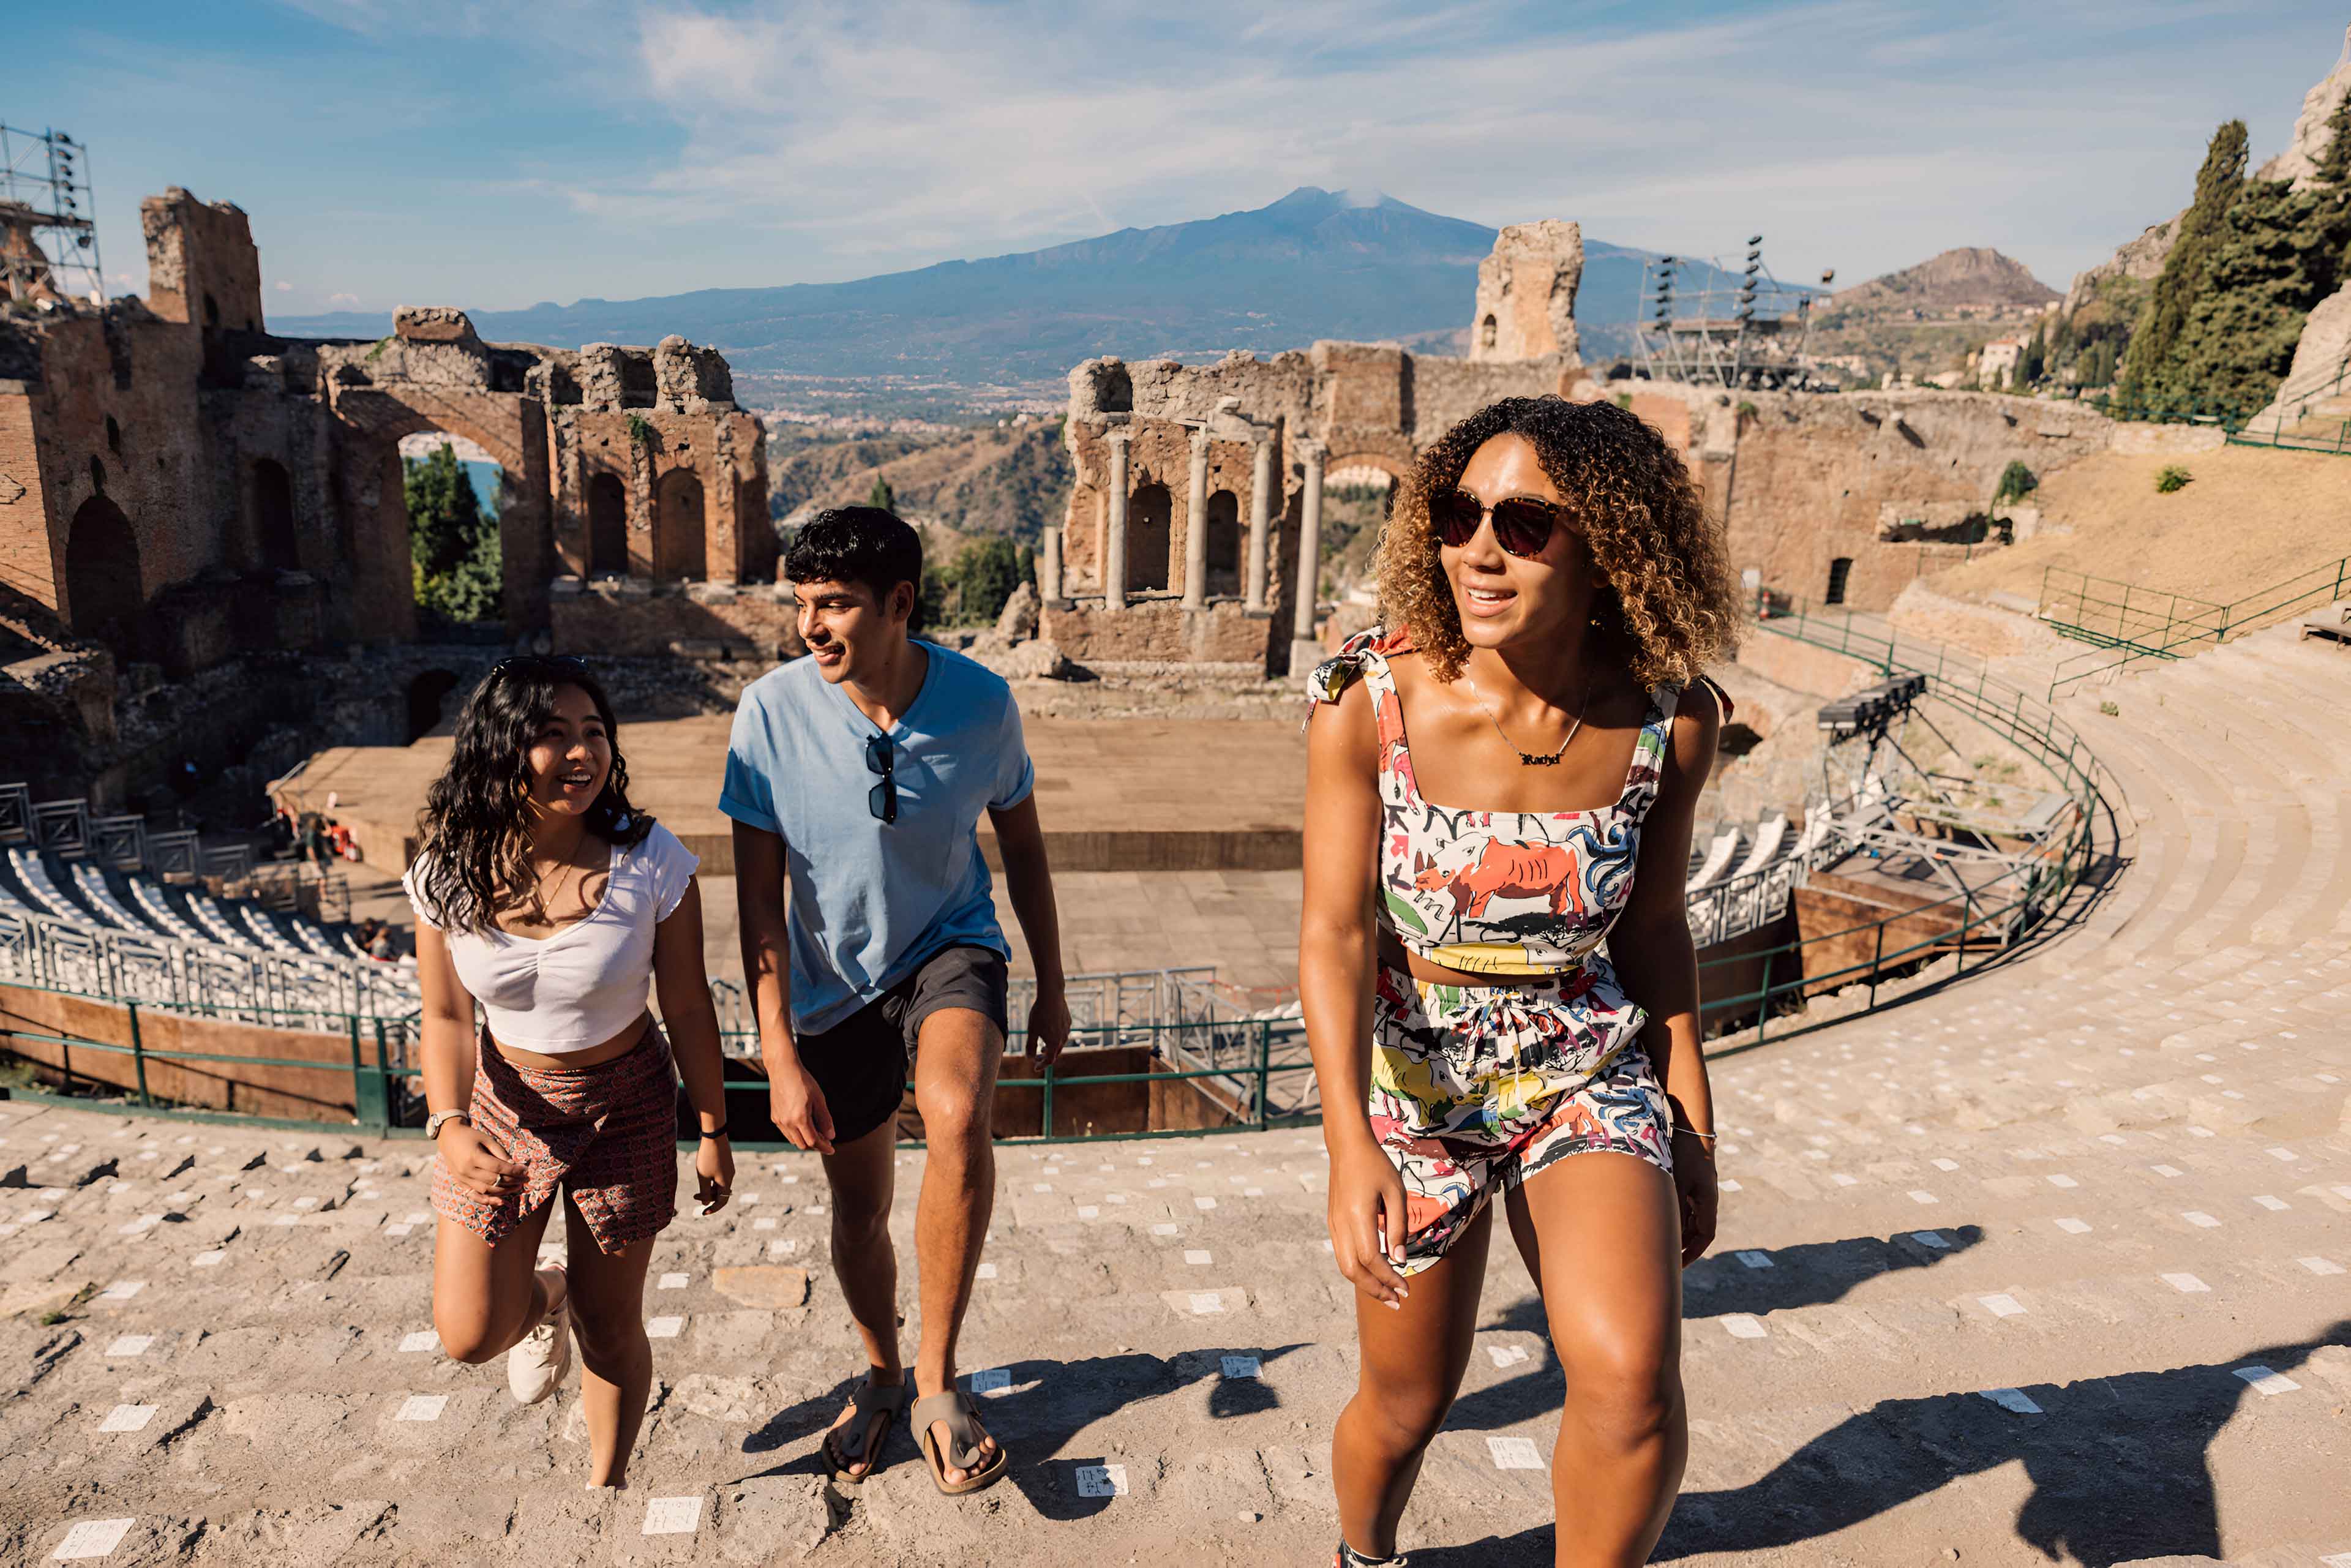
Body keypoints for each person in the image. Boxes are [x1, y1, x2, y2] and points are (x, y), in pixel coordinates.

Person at [1299, 396, 1739, 1567]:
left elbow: (1653, 926)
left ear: (1612, 542)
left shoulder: (1671, 720)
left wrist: (1690, 1116)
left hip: (1580, 1062)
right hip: (1416, 1076)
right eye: (1457, 513)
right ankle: (1364, 1554)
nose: (1476, 550)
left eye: (1525, 524)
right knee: (1406, 1405)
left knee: (1632, 1379)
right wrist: (1352, 1145)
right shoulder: (1368, 700)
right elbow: (1338, 936)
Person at [723, 506, 1071, 1496]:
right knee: (859, 1208)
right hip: (832, 983)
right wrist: (778, 1052)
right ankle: (881, 1371)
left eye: (833, 604)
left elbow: (1026, 850)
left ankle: (936, 1381)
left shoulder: (982, 705)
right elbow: (756, 898)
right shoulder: (769, 714)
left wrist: (1049, 981)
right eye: (801, 603)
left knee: (958, 1113)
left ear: (900, 605)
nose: (810, 625)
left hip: (950, 947)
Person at [406, 655, 735, 1490]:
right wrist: (448, 1126)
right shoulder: (445, 870)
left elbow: (689, 1006)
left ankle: (606, 1490)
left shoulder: (652, 860)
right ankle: (542, 1293)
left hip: (627, 1100)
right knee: (471, 1332)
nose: (581, 753)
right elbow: (446, 1017)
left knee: (611, 1320)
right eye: (554, 736)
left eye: (594, 733)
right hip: (503, 1107)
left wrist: (713, 1128)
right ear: (502, 749)